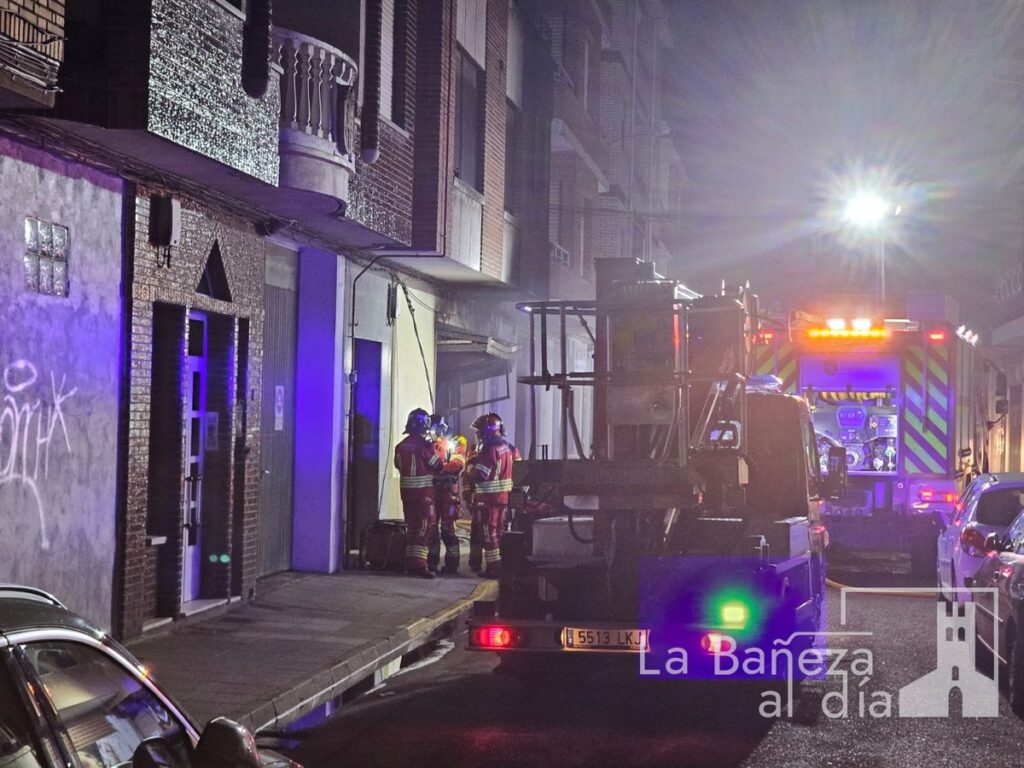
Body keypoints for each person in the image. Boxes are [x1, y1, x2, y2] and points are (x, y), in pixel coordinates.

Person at [393, 408, 442, 578]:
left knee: (412, 527)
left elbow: (398, 466)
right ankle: (420, 565)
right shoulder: (425, 446)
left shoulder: (400, 446)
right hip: (423, 494)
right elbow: (437, 465)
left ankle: (410, 563)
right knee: (425, 526)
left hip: (407, 494)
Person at [466, 412, 515, 578]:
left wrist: (469, 468)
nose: (478, 435)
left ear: (487, 431)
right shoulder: (506, 448)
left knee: (489, 534)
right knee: (498, 533)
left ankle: (494, 569)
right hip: (502, 499)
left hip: (488, 499)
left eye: (479, 431)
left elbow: (480, 475)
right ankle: (499, 566)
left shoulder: (489, 450)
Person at [427, 413, 466, 575]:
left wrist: (440, 467)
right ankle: (431, 562)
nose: (433, 431)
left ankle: (452, 564)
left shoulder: (456, 442)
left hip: (448, 493)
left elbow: (458, 463)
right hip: (432, 491)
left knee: (447, 529)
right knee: (431, 528)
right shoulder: (428, 443)